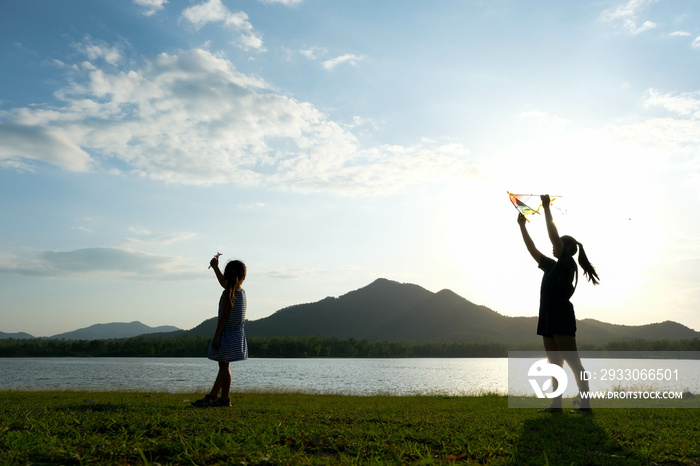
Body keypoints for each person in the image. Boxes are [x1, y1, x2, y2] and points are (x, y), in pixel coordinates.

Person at [517, 195, 600, 413]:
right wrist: (522, 227)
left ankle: (585, 404)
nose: (554, 246)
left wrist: (546, 208)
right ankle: (556, 405)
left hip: (560, 314)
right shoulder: (551, 265)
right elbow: (532, 250)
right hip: (547, 315)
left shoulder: (567, 262)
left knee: (573, 362)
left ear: (568, 247)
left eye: (559, 244)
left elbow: (552, 235)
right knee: (554, 364)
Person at [192, 255, 248, 407]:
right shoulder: (240, 292)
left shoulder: (228, 294)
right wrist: (215, 268)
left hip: (226, 335)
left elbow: (223, 318)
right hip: (236, 335)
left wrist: (216, 337)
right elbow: (225, 283)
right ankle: (213, 395)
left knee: (224, 367)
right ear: (242, 277)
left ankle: (225, 399)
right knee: (223, 366)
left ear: (227, 275)